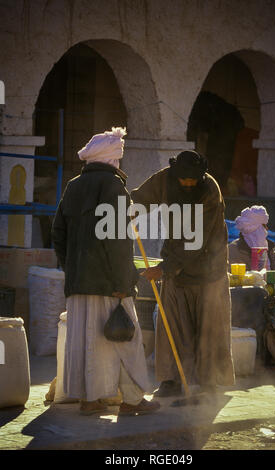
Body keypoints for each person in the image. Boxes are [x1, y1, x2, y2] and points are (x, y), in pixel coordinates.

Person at [51, 127, 160, 416]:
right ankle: (133, 399)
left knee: (87, 342)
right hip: (110, 284)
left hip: (79, 283)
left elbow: (57, 233)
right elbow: (117, 240)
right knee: (126, 341)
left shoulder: (73, 186)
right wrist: (124, 281)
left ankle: (89, 400)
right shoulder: (113, 187)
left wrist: (72, 267)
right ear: (113, 160)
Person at [131, 150, 235, 397]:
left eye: (193, 180)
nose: (188, 183)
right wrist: (131, 210)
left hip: (209, 267)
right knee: (172, 328)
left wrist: (164, 269)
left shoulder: (210, 190)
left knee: (209, 329)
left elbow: (196, 241)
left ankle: (208, 383)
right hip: (176, 266)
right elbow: (139, 198)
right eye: (184, 179)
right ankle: (171, 380)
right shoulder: (165, 179)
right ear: (176, 173)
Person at [228, 205, 275, 278]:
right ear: (254, 228)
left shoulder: (270, 252)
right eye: (264, 226)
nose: (266, 229)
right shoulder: (232, 250)